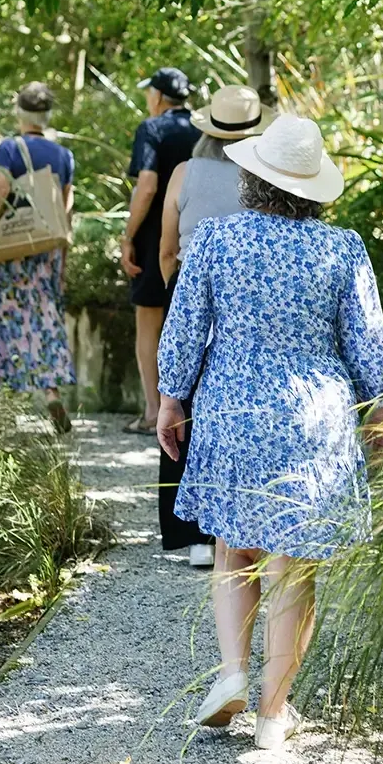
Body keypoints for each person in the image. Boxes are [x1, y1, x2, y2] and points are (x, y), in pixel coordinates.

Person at [156, 113, 383, 753]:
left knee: (234, 551)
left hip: (233, 405)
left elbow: (184, 327)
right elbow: (367, 341)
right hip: (314, 416)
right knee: (294, 568)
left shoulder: (216, 239)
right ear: (314, 188)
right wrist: (378, 409)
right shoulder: (342, 249)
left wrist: (171, 398)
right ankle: (272, 713)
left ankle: (232, 673)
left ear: (252, 178)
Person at [156, 85, 265, 569]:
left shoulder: (185, 172)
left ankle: (191, 535)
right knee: (227, 408)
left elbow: (166, 247)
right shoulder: (264, 177)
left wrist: (176, 292)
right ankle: (237, 525)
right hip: (246, 296)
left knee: (177, 402)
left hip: (187, 283)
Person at [0, 82, 75, 433]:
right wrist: (62, 259)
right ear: (47, 115)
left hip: (12, 250)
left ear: (19, 112)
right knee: (45, 320)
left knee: (6, 318)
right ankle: (51, 392)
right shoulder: (63, 155)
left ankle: (4, 403)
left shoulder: (9, 148)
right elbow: (66, 208)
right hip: (47, 251)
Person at [120, 66, 197, 434]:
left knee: (149, 322)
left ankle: (153, 412)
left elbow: (147, 186)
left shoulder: (151, 129)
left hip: (154, 238)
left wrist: (128, 236)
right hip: (197, 236)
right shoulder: (204, 128)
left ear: (158, 97)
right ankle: (192, 412)